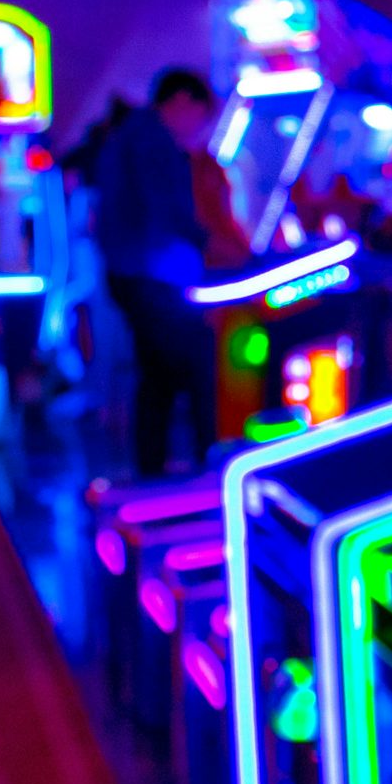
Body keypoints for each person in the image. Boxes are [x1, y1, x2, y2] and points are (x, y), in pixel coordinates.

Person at [97, 67, 224, 477]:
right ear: (183, 100)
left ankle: (155, 473)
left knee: (157, 377)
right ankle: (206, 470)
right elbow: (168, 211)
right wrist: (212, 243)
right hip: (149, 274)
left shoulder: (130, 132)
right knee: (192, 368)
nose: (198, 129)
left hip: (130, 270)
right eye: (201, 116)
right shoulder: (152, 139)